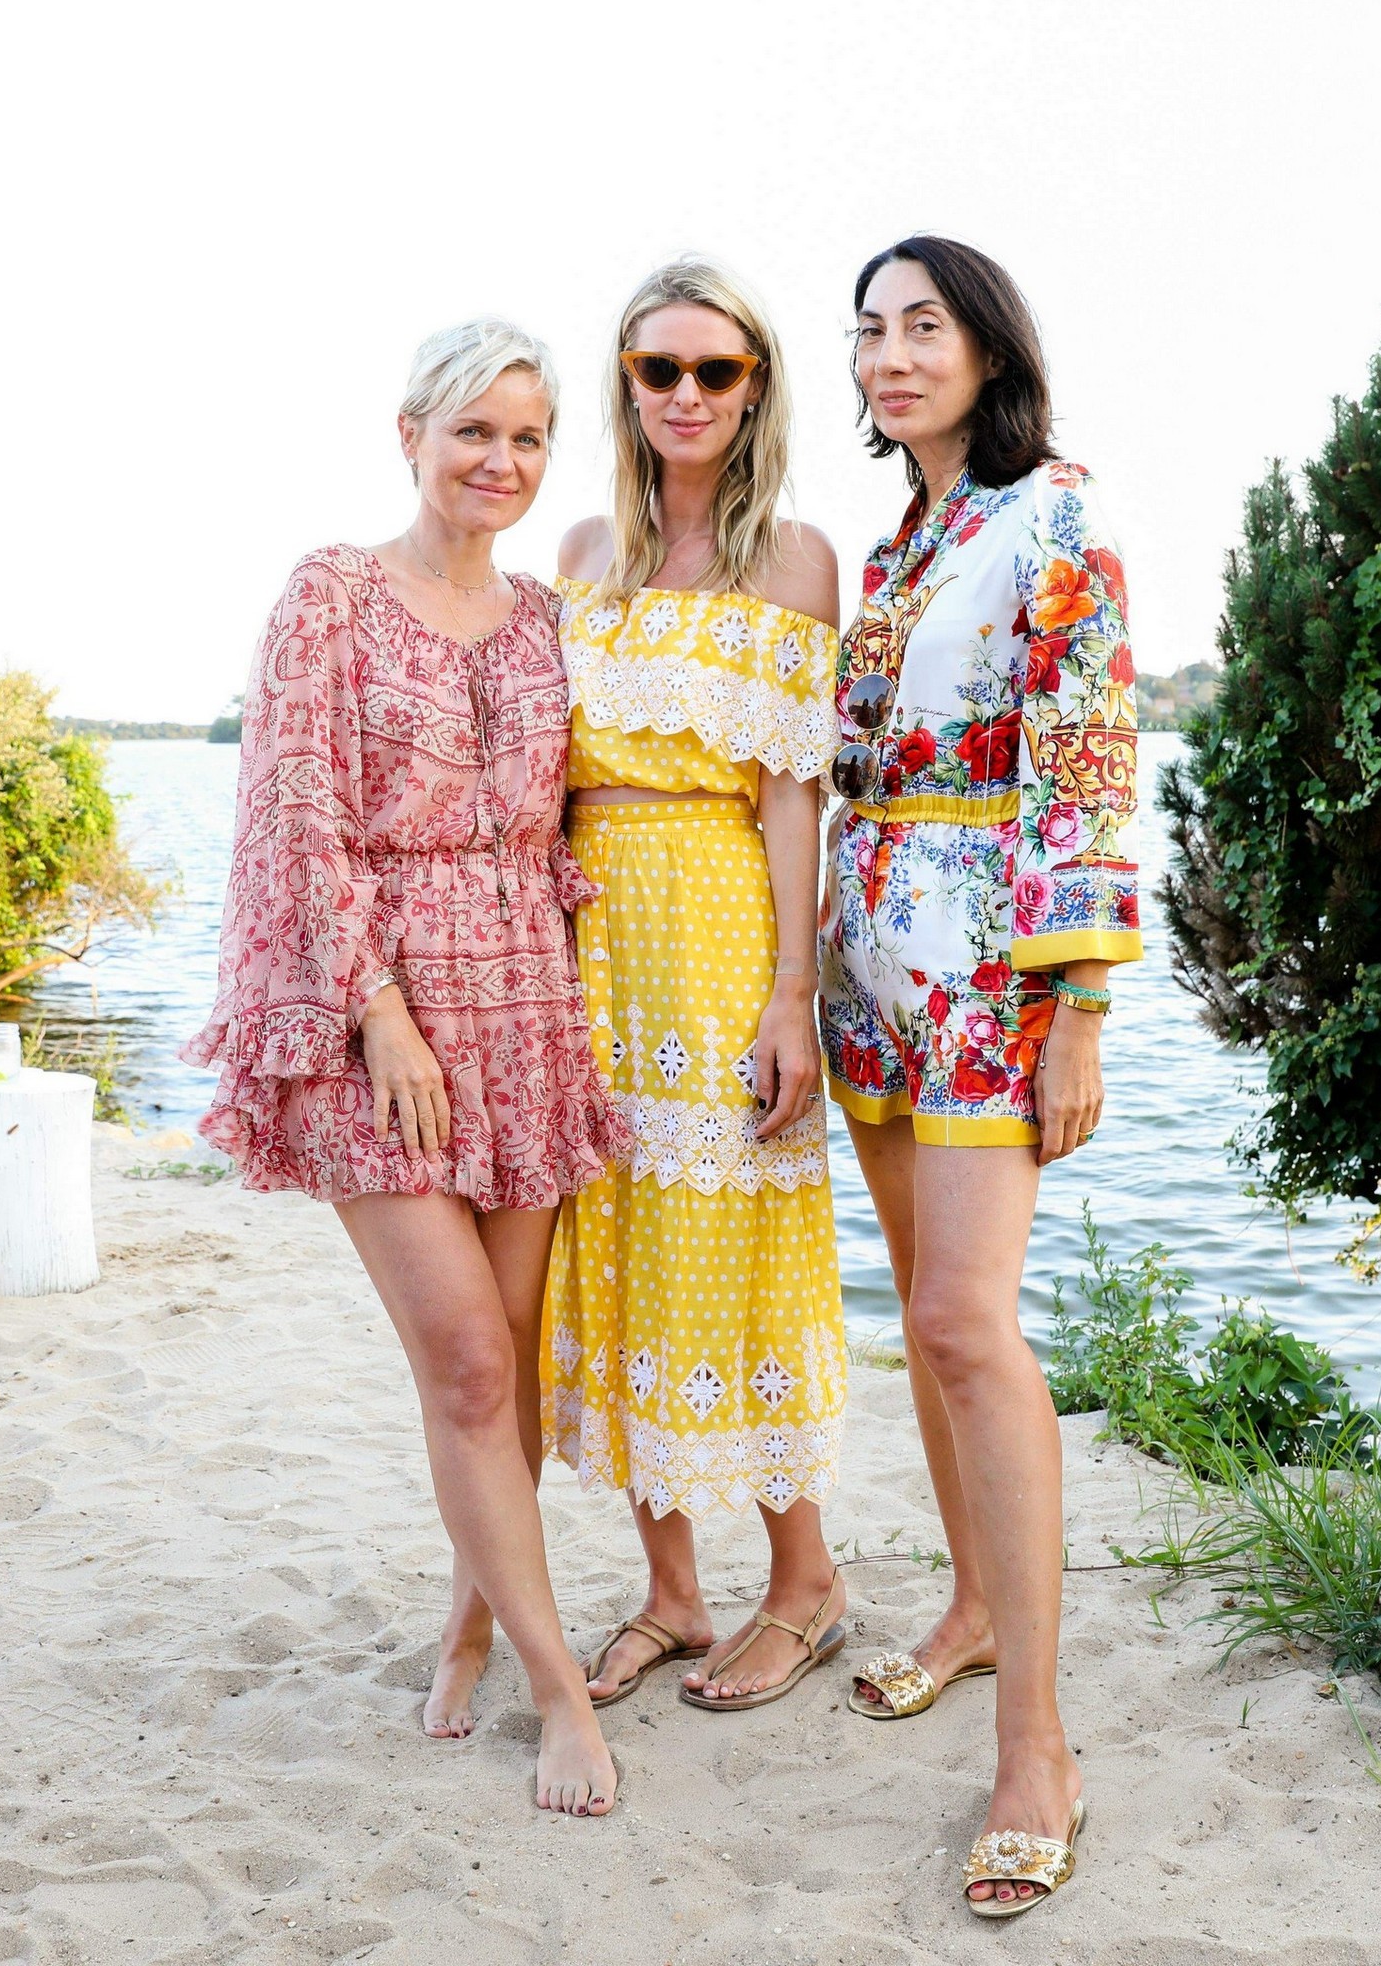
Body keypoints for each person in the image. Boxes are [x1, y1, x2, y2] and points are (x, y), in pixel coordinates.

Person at [182, 319, 629, 1817]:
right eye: (473, 432)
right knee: (467, 1361)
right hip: (378, 1012)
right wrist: (375, 1007)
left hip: (526, 1002)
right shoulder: (330, 593)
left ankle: (469, 1622)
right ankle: (559, 1695)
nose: (500, 461)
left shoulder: (548, 617)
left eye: (527, 438)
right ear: (410, 436)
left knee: (505, 1361)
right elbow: (295, 809)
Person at [820, 236, 1141, 1916]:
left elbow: (1083, 759)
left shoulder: (1050, 519)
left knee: (967, 1323)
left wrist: (1080, 1000)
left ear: (989, 348)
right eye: (869, 330)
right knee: (919, 1312)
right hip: (870, 961)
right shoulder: (902, 543)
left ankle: (1038, 1750)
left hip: (986, 965)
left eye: (923, 325)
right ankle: (969, 1608)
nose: (890, 354)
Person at [544, 258, 848, 1711]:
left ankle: (806, 1581)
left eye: (713, 371)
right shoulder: (581, 550)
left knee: (738, 1247)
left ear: (754, 388)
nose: (684, 394)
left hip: (723, 930)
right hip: (589, 939)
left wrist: (793, 997)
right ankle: (672, 1593)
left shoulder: (795, 561)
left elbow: (794, 795)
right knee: (618, 1247)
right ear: (625, 383)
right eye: (656, 369)